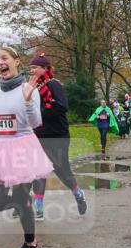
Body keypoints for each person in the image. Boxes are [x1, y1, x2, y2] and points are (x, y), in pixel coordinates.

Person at [0, 47, 54, 248]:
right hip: (1, 148)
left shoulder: (29, 88)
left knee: (19, 197)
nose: (0, 62)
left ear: (16, 61)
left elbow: (36, 122)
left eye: (4, 58)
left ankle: (31, 244)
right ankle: (24, 202)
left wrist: (27, 101)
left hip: (22, 147)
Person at [28, 54, 88, 221]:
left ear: (45, 68)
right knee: (38, 170)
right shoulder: (34, 87)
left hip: (57, 134)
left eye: (36, 67)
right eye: (31, 68)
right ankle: (38, 207)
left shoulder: (54, 85)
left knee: (61, 169)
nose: (32, 70)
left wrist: (40, 114)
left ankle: (77, 192)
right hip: (39, 134)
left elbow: (62, 106)